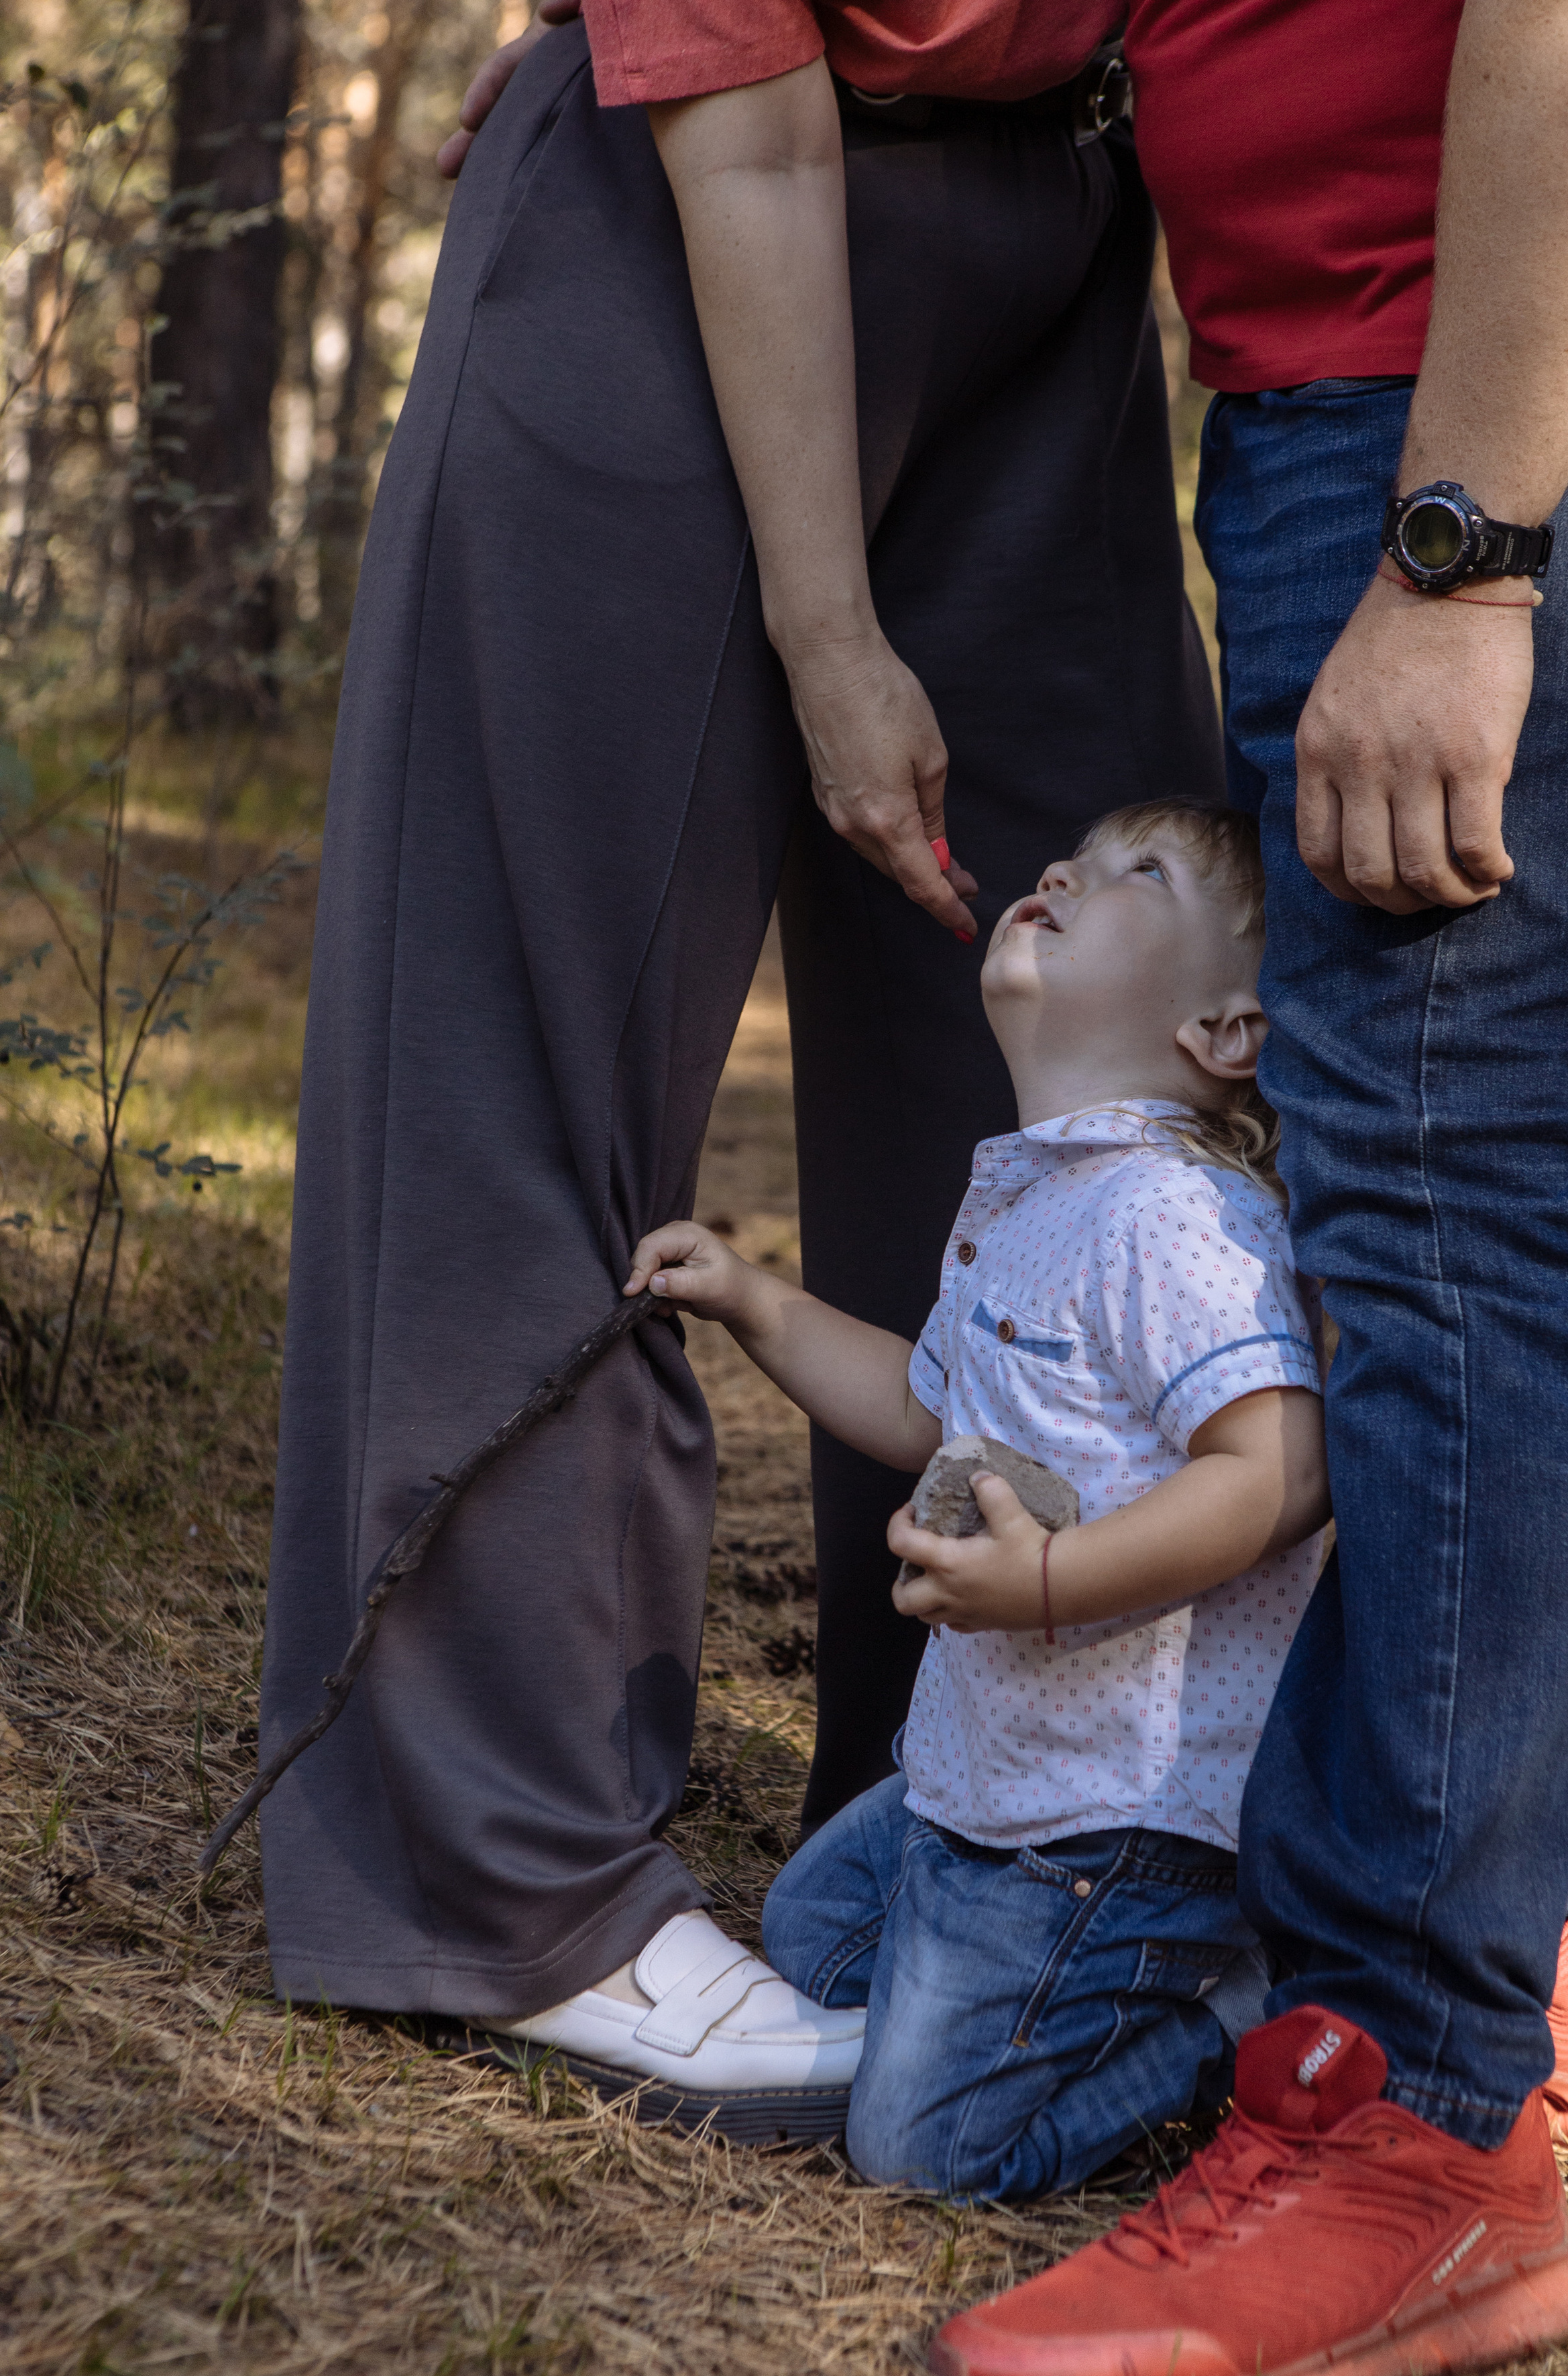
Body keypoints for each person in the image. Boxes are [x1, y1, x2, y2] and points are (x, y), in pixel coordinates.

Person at [255, 1, 1222, 2130]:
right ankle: (507, 1875)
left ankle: (1006, 1825)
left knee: (1089, 1069)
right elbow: (755, 113)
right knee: (530, 1040)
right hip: (708, 198)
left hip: (1069, 214)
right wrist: (826, 626)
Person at [929, 0, 1568, 2376]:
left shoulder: (1465, 491)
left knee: (1441, 1197)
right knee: (1455, 1189)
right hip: (1392, 377)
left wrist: (1465, 547)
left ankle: (1409, 2117)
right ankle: (1553, 1950)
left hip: (1470, 403)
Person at [596, 798, 1327, 2200]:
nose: (1062, 872)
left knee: (923, 2146)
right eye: (1075, 858)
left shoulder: (1174, 1217)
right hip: (993, 1773)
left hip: (1116, 1811)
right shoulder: (1038, 1195)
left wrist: (1046, 1584)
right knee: (814, 1931)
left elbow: (1278, 1467)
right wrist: (755, 1302)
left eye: (1137, 872)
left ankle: (1230, 2021)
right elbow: (930, 1410)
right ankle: (1082, 1998)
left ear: (1225, 1033)